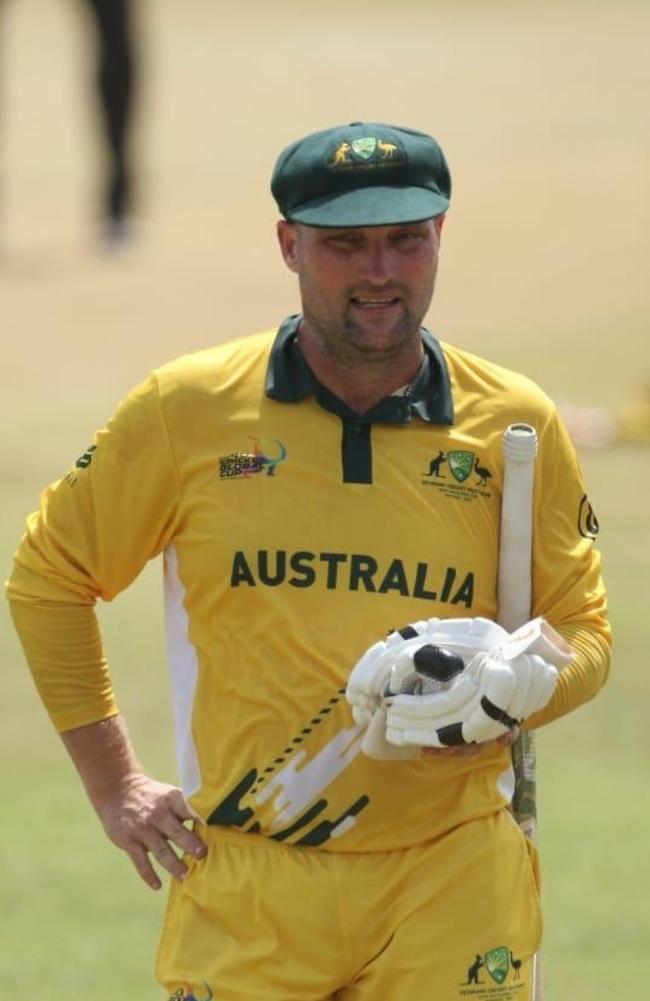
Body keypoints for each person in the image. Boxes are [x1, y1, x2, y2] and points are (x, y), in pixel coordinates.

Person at [7, 122, 611, 1001]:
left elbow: (585, 633)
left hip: (451, 878)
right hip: (250, 881)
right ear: (289, 243)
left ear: (440, 236)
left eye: (406, 239)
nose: (380, 271)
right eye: (345, 245)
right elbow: (49, 576)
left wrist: (526, 683)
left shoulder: (511, 424)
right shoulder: (189, 410)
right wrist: (118, 786)